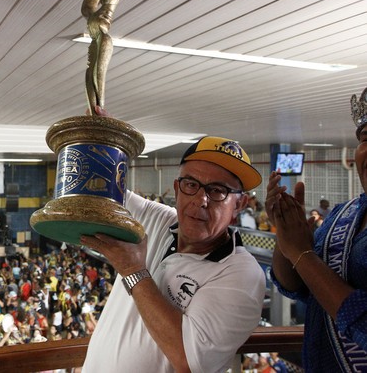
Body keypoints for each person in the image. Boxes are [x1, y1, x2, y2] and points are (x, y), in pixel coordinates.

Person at [81, 135, 266, 372]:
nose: (201, 200)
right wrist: (98, 135)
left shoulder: (242, 275)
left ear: (239, 205)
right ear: (178, 189)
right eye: (191, 185)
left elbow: (188, 360)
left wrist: (133, 271)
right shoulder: (158, 219)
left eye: (218, 191)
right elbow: (102, 189)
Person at [266, 86, 367, 372]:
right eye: (365, 138)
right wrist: (286, 236)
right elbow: (294, 285)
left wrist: (303, 255)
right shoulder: (341, 215)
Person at [81, 0, 124, 114]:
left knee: (98, 76)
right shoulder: (91, 13)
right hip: (95, 42)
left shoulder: (108, 8)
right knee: (89, 76)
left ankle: (98, 112)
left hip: (103, 40)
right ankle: (94, 113)